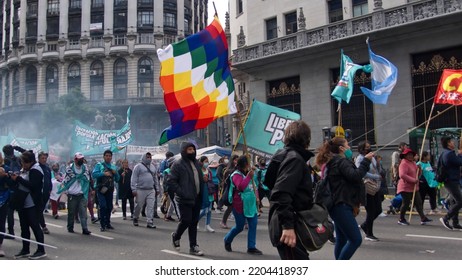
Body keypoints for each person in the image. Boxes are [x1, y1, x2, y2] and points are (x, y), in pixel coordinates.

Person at [315, 137, 372, 260]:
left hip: (337, 204)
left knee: (342, 239)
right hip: (341, 205)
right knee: (355, 239)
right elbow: (355, 176)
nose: (350, 148)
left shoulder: (334, 161)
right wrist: (366, 162)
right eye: (348, 145)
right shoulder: (341, 161)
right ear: (341, 148)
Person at [268, 120, 313, 259]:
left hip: (289, 221)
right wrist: (288, 226)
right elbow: (281, 193)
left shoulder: (286, 156)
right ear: (306, 139)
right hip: (288, 225)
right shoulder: (294, 159)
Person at [167, 142, 204, 256]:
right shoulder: (178, 164)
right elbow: (171, 181)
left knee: (194, 222)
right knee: (186, 220)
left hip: (196, 197)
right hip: (184, 198)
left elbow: (196, 178)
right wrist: (182, 192)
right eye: (189, 149)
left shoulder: (196, 163)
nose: (192, 151)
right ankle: (176, 236)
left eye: (193, 149)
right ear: (184, 151)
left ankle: (193, 246)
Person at [9, 151, 47, 259]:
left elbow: (33, 186)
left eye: (24, 163)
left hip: (33, 204)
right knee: (24, 227)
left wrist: (19, 179)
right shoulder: (25, 170)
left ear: (30, 162)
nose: (23, 165)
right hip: (23, 203)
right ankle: (25, 249)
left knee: (35, 226)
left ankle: (41, 250)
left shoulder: (36, 170)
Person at [224, 155, 262, 255]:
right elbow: (241, 187)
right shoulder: (236, 175)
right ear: (245, 164)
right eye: (248, 163)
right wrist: (249, 176)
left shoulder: (250, 174)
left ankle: (251, 247)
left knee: (253, 225)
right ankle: (227, 239)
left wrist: (257, 197)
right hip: (239, 204)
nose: (250, 165)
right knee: (239, 226)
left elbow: (255, 187)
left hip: (251, 204)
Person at [355, 141, 383, 241]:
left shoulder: (372, 157)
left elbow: (376, 168)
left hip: (375, 186)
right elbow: (361, 172)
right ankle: (369, 233)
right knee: (370, 211)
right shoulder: (360, 159)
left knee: (378, 209)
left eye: (369, 146)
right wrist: (375, 176)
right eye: (366, 147)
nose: (368, 148)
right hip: (367, 186)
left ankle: (365, 225)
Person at [58, 152, 92, 235]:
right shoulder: (69, 168)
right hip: (72, 194)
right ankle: (70, 227)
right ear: (75, 159)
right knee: (71, 212)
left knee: (83, 213)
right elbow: (66, 180)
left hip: (82, 194)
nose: (81, 160)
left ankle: (85, 228)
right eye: (79, 159)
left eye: (82, 159)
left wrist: (90, 189)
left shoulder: (85, 168)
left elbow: (88, 179)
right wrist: (65, 191)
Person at [396, 148, 432, 226]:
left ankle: (423, 218)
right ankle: (401, 219)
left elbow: (417, 175)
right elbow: (402, 175)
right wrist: (413, 180)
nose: (410, 156)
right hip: (405, 187)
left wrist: (419, 169)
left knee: (418, 202)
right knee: (406, 203)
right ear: (405, 156)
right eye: (408, 155)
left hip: (414, 187)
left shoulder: (413, 163)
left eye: (411, 155)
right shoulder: (403, 163)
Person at [92, 150, 120, 232]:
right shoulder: (99, 165)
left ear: (111, 157)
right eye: (106, 155)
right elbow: (94, 175)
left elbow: (118, 179)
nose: (108, 157)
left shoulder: (113, 167)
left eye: (109, 156)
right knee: (103, 206)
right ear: (104, 156)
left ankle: (108, 223)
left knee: (109, 207)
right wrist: (104, 174)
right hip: (101, 189)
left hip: (110, 189)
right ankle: (102, 224)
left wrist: (116, 174)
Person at [438, 136, 462, 230]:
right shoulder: (448, 154)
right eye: (452, 141)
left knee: (454, 201)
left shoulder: (446, 153)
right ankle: (446, 218)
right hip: (451, 181)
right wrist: (460, 155)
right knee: (460, 201)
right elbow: (459, 162)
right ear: (448, 143)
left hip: (452, 180)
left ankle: (455, 223)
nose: (453, 143)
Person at [131, 152, 159, 228]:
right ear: (143, 157)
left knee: (151, 206)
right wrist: (133, 189)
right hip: (140, 189)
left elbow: (155, 178)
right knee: (139, 205)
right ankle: (135, 217)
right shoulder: (138, 167)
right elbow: (134, 178)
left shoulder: (153, 167)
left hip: (151, 190)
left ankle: (150, 222)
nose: (149, 159)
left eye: (150, 157)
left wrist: (157, 188)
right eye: (147, 157)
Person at [2, 144, 22, 238]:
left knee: (9, 211)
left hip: (9, 188)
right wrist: (18, 148)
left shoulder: (6, 162)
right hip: (19, 186)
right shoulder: (19, 160)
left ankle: (11, 232)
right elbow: (29, 153)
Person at [417, 151, 439, 215]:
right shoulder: (419, 164)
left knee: (432, 195)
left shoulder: (428, 163)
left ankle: (433, 208)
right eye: (428, 155)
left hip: (430, 182)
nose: (429, 157)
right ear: (424, 157)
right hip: (423, 182)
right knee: (422, 196)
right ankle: (421, 209)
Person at [219, 154, 239, 229]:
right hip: (230, 190)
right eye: (235, 160)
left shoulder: (240, 170)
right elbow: (226, 181)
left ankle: (242, 222)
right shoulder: (228, 170)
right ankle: (223, 221)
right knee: (230, 207)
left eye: (238, 160)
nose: (236, 162)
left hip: (237, 191)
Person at [198, 156, 215, 233]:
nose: (206, 163)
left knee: (209, 209)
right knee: (204, 209)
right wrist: (202, 179)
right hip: (202, 191)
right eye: (205, 161)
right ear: (201, 162)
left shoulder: (209, 170)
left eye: (207, 161)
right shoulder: (198, 171)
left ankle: (207, 225)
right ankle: (195, 221)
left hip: (209, 190)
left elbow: (210, 181)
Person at [37, 151, 52, 234]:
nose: (44, 160)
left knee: (40, 210)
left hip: (46, 192)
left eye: (45, 158)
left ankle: (39, 224)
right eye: (42, 158)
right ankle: (43, 226)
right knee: (39, 210)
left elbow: (49, 179)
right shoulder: (36, 167)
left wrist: (50, 189)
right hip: (39, 192)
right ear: (39, 158)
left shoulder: (47, 168)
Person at [0, 152, 11, 257]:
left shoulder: (6, 168)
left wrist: (5, 175)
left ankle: (0, 246)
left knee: (1, 222)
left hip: (3, 199)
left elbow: (11, 183)